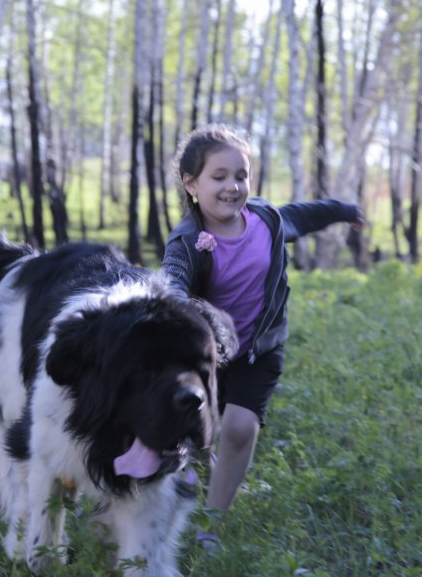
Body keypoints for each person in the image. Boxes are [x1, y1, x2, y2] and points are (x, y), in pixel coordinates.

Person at [162, 124, 363, 544]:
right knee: (195, 434)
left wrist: (344, 210)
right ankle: (201, 472)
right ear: (192, 184)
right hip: (206, 356)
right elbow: (174, 281)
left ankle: (210, 529)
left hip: (259, 349)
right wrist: (174, 304)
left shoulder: (265, 220)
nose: (233, 186)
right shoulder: (186, 242)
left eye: (241, 175)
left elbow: (303, 215)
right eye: (219, 176)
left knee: (239, 429)